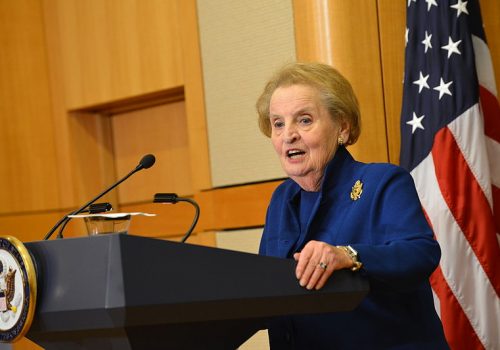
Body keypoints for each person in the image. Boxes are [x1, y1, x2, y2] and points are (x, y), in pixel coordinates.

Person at [256, 62, 449, 349]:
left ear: (342, 127)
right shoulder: (281, 200)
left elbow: (421, 253)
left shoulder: (382, 181)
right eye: (278, 123)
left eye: (305, 120)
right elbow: (268, 285)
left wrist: (348, 255)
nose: (288, 135)